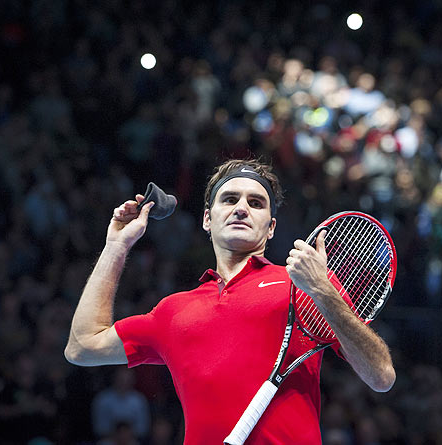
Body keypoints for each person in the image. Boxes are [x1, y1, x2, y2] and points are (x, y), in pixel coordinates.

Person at [64, 159, 396, 444]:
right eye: (230, 199)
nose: (241, 208)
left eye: (256, 202)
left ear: (271, 228)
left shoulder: (304, 287)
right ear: (207, 219)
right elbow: (82, 347)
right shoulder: (173, 311)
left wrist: (323, 292)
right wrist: (116, 246)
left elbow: (381, 375)